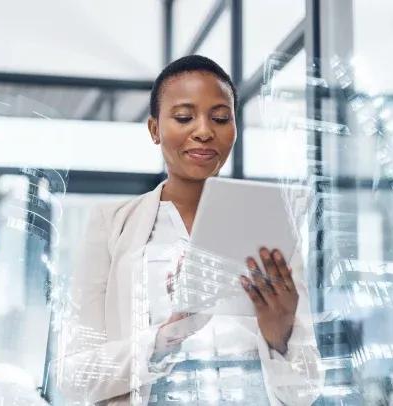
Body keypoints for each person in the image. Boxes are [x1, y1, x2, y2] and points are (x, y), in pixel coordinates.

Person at [55, 55, 323, 405]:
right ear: (154, 129)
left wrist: (281, 335)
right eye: (183, 117)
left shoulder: (270, 227)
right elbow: (74, 376)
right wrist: (164, 338)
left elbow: (306, 389)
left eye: (221, 118)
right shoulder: (112, 225)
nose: (204, 131)